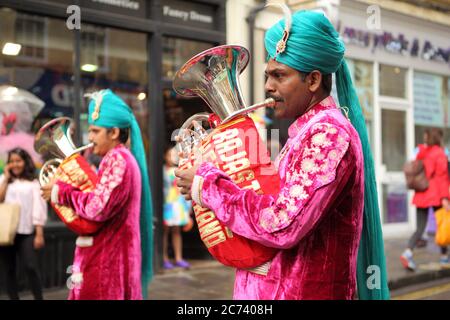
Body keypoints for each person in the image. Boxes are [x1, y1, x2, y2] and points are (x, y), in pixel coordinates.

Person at [175, 8, 389, 300]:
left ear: (313, 81)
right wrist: (217, 172)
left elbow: (281, 224)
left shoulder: (328, 134)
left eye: (279, 76)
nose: (267, 87)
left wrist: (206, 184)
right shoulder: (306, 132)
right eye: (267, 75)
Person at [41, 89, 153, 300]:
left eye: (95, 131)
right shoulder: (117, 158)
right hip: (106, 261)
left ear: (114, 133)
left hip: (107, 266)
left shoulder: (118, 159)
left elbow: (95, 208)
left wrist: (60, 190)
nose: (89, 138)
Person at [0, 147, 47, 300]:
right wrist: (6, 178)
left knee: (31, 267)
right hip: (6, 232)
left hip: (26, 232)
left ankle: (39, 297)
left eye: (18, 161)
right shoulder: (3, 179)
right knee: (9, 270)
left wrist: (39, 233)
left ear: (25, 162)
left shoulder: (33, 183)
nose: (15, 164)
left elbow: (38, 208)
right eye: (12, 161)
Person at [401, 128, 449, 271]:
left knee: (420, 228)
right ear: (438, 138)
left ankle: (407, 252)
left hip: (421, 194)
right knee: (443, 225)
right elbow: (442, 178)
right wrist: (445, 198)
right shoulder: (439, 153)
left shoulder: (420, 151)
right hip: (435, 195)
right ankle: (444, 257)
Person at [162, 146, 192, 269]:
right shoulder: (162, 171)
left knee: (176, 231)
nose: (172, 158)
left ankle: (178, 257)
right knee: (165, 231)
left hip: (178, 205)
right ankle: (164, 258)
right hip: (166, 204)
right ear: (165, 157)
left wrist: (188, 207)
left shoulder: (180, 170)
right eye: (170, 155)